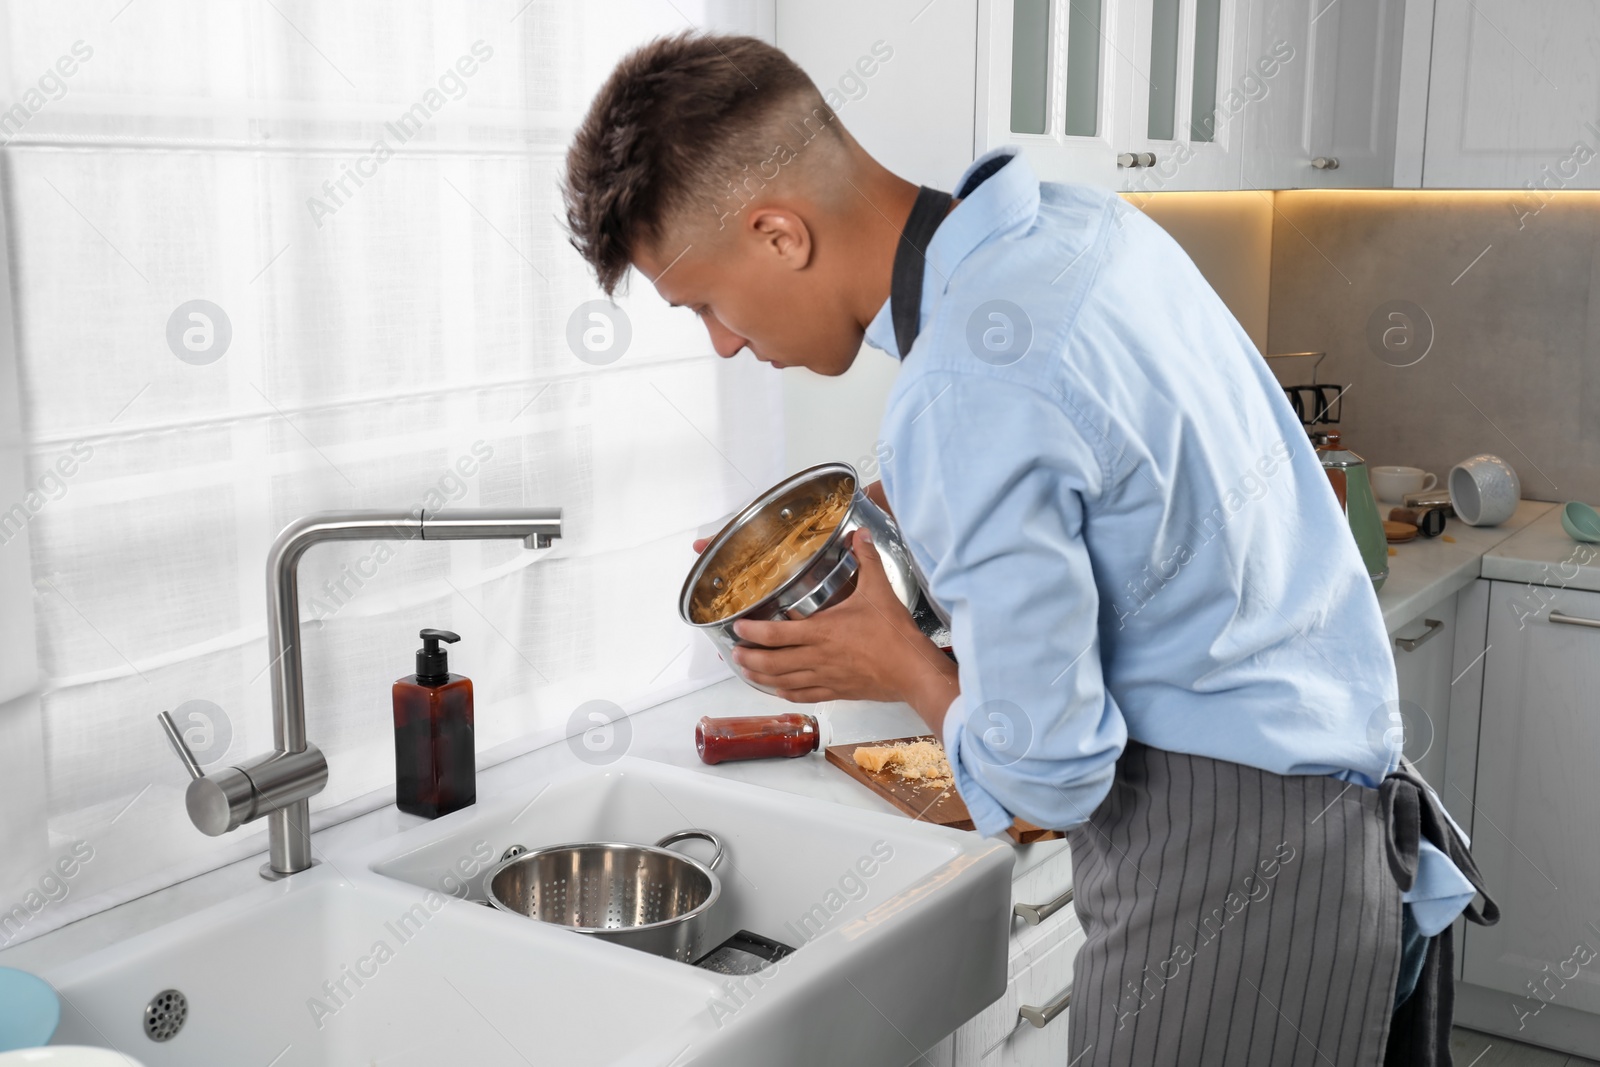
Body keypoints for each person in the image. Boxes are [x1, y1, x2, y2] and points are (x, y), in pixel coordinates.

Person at [562, 32, 1495, 1067]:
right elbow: (1113, 471)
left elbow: (1052, 775)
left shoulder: (962, 384)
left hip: (1229, 867)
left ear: (779, 234)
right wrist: (899, 517)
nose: (724, 343)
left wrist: (895, 663)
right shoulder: (1070, 223)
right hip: (1327, 827)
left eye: (700, 304)